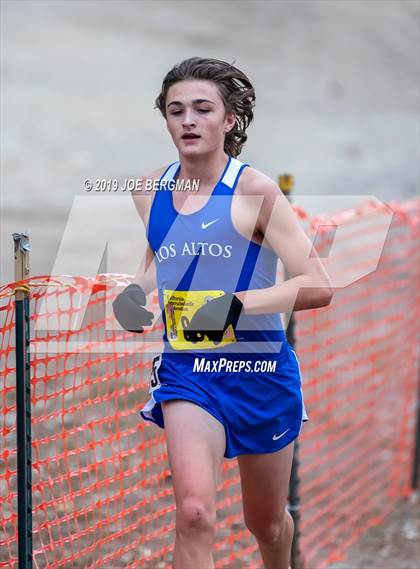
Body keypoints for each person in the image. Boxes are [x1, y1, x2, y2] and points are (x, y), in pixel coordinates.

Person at [113, 57, 333, 569]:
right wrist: (134, 292)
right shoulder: (149, 191)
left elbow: (319, 285)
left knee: (267, 523)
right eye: (175, 110)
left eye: (202, 109)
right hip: (189, 372)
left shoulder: (255, 191)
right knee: (193, 513)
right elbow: (160, 261)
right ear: (165, 120)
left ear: (229, 120)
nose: (187, 120)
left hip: (260, 372)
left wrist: (234, 306)